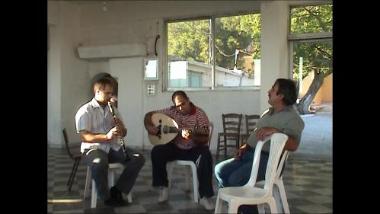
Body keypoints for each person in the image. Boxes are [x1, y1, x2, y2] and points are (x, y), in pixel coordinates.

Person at [214, 78, 305, 213]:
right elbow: (257, 134)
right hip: (251, 154)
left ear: (281, 96)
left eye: (273, 90)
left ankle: (245, 209)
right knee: (220, 170)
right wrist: (246, 146)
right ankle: (239, 207)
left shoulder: (293, 118)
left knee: (235, 179)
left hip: (268, 161)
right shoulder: (268, 113)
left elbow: (293, 145)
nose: (269, 92)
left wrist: (276, 131)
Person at [75, 76, 145, 206]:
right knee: (99, 163)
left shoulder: (113, 109)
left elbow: (124, 133)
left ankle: (118, 190)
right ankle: (106, 197)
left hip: (113, 148)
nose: (111, 96)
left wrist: (121, 128)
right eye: (107, 93)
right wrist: (106, 136)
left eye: (111, 93)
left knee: (138, 158)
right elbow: (85, 137)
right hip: (93, 148)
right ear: (97, 92)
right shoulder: (85, 111)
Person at [144, 90, 215, 210]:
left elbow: (205, 137)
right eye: (178, 106)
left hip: (194, 149)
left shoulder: (199, 114)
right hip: (175, 148)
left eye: (183, 104)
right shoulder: (171, 111)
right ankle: (163, 187)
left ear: (188, 100)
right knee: (157, 151)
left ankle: (204, 196)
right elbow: (149, 115)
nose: (181, 108)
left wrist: (192, 135)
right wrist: (149, 127)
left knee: (205, 156)